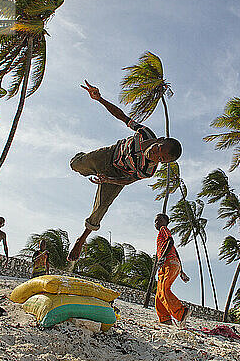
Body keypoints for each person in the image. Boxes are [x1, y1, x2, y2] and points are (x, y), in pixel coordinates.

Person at [67, 80, 182, 261]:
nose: (155, 154)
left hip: (117, 175)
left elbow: (128, 181)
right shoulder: (146, 134)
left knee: (101, 208)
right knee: (75, 165)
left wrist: (108, 180)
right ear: (159, 140)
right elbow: (121, 116)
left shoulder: (148, 170)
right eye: (158, 148)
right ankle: (81, 158)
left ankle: (81, 241)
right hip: (109, 154)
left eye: (161, 158)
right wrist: (100, 99)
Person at [154, 213, 191, 327]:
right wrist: (181, 271)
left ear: (165, 221)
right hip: (170, 264)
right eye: (155, 221)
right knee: (159, 293)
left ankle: (182, 312)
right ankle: (165, 319)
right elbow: (175, 252)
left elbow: (171, 241)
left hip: (168, 263)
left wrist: (164, 256)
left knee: (164, 290)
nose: (156, 223)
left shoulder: (163, 230)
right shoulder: (161, 239)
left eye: (159, 220)